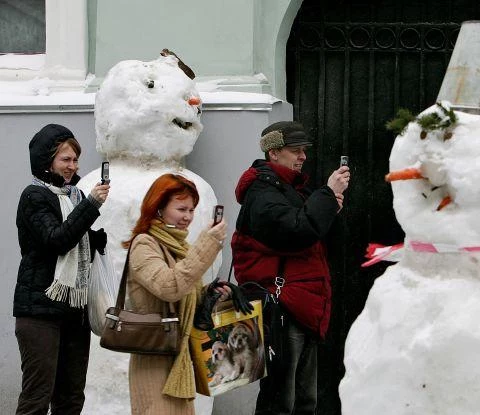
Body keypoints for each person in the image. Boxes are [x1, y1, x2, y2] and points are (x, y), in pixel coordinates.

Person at [231, 121, 350, 414]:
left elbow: (315, 236)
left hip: (301, 306)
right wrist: (326, 194)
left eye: (303, 151)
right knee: (281, 400)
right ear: (273, 153)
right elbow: (295, 232)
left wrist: (328, 207)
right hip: (282, 307)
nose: (303, 157)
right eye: (295, 150)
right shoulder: (262, 192)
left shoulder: (290, 190)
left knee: (303, 399)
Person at [14, 123, 110, 415]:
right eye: (65, 159)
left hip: (73, 311)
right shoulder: (34, 196)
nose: (72, 166)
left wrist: (95, 240)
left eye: (75, 159)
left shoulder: (74, 197)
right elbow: (56, 240)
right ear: (47, 160)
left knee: (70, 398)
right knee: (37, 397)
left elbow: (75, 241)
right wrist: (92, 204)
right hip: (40, 313)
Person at [123, 173, 229, 415]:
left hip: (177, 358)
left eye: (191, 210)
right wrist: (207, 245)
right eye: (181, 208)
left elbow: (184, 293)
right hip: (153, 356)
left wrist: (209, 294)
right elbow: (170, 288)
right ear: (158, 207)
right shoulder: (144, 244)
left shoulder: (179, 247)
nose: (188, 217)